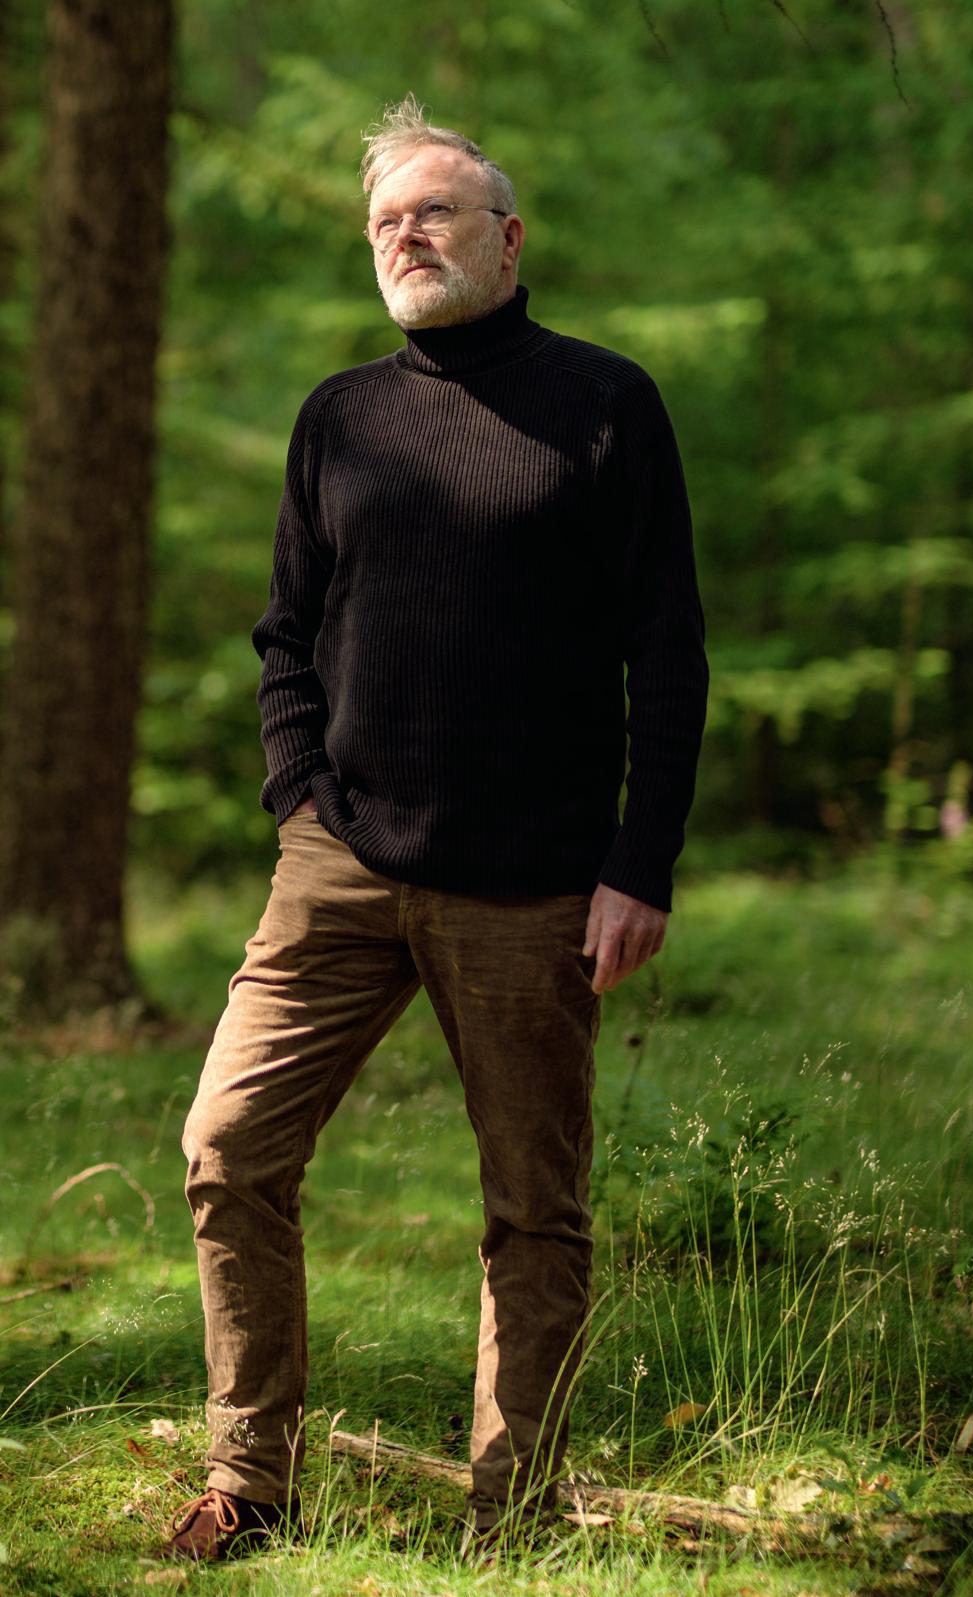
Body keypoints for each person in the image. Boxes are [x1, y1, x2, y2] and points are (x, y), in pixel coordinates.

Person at [161, 95, 708, 1563]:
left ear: (509, 239)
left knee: (534, 1207)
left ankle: (512, 1517)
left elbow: (666, 650)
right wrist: (297, 799)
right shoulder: (339, 416)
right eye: (384, 222)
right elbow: (286, 632)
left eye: (435, 212)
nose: (405, 236)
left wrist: (638, 862)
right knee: (227, 1147)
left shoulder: (608, 404)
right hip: (339, 862)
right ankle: (250, 1480)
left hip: (532, 882)